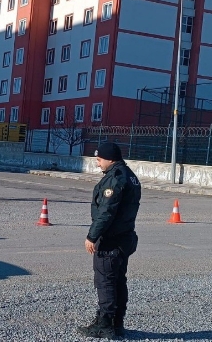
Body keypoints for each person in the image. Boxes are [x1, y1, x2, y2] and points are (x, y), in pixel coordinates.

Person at [78, 142, 140, 339]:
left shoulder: (115, 179)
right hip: (125, 237)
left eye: (99, 159)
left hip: (112, 240)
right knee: (118, 282)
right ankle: (116, 323)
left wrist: (92, 236)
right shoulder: (129, 175)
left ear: (110, 159)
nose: (97, 164)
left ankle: (105, 325)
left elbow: (106, 212)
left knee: (105, 282)